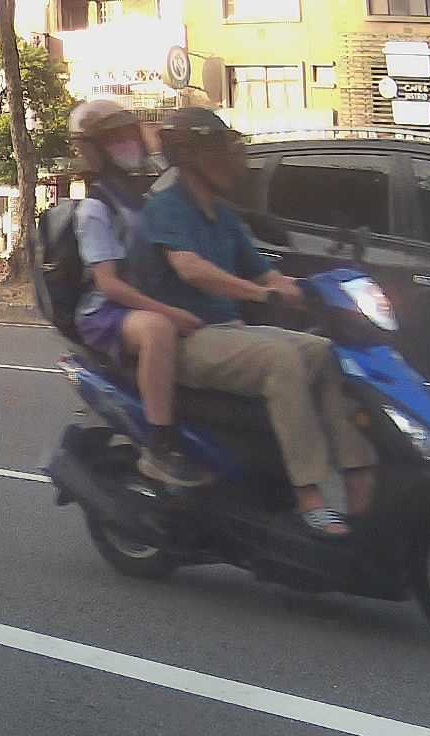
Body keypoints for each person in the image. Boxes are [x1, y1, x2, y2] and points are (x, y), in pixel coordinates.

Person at [137, 107, 378, 537]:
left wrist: (310, 291)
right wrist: (259, 294)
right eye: (219, 150)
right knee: (280, 359)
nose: (232, 160)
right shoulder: (166, 208)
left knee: (324, 352)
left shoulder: (223, 216)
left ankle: (358, 483)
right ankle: (309, 498)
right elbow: (191, 268)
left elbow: (265, 273)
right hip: (188, 338)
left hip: (229, 335)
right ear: (190, 156)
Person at [68, 99, 211, 488]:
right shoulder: (96, 208)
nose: (128, 144)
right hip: (107, 311)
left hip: (147, 301)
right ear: (94, 149)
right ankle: (160, 447)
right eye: (114, 139)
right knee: (158, 330)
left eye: (129, 135)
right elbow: (108, 284)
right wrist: (169, 312)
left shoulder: (144, 195)